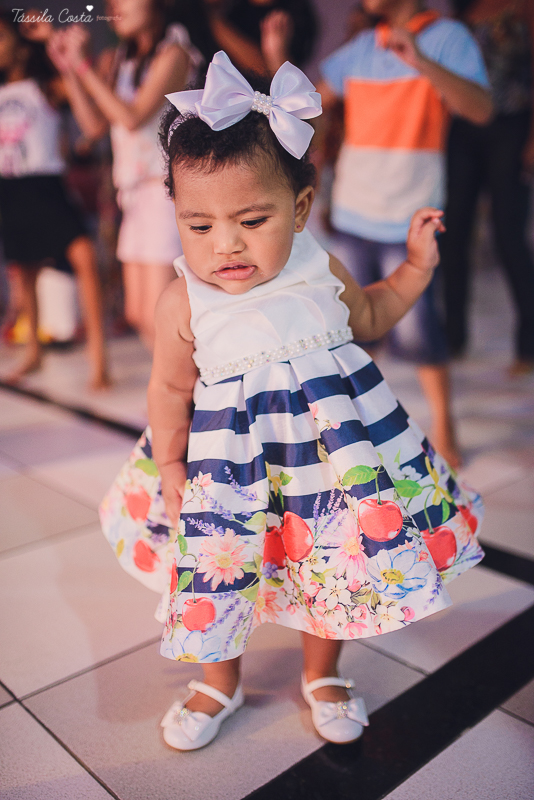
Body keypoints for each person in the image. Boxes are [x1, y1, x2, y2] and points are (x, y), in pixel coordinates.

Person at [99, 52, 484, 751]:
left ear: (300, 208)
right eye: (200, 225)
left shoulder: (317, 264)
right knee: (220, 568)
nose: (226, 245)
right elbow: (168, 386)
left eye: (251, 219)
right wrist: (174, 468)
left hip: (327, 473)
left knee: (329, 569)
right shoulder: (183, 297)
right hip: (229, 476)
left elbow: (370, 314)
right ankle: (219, 679)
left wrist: (417, 267)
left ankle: (324, 672)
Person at [317, 0, 493, 467]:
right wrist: (274, 61)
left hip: (409, 216)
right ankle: (355, 430)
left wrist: (421, 60)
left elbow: (480, 110)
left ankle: (444, 423)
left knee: (419, 332)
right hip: (354, 211)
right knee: (351, 331)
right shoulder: (360, 45)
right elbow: (308, 105)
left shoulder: (446, 37)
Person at [47, 0, 202, 349]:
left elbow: (132, 117)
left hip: (167, 192)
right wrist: (71, 70)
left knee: (160, 313)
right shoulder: (118, 60)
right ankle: (174, 393)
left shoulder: (175, 52)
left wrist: (84, 66)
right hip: (133, 193)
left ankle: (186, 395)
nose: (115, 6)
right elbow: (93, 126)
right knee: (136, 313)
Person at [0, 11, 109, 388]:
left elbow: (90, 118)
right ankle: (32, 349)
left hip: (47, 184)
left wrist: (49, 40)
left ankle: (99, 357)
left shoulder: (45, 83)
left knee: (84, 258)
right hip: (10, 187)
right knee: (23, 270)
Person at [440, 0, 534, 376]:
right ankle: (453, 339)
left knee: (509, 236)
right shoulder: (460, 11)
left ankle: (528, 345)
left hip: (512, 125)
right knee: (453, 233)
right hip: (462, 130)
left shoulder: (524, 7)